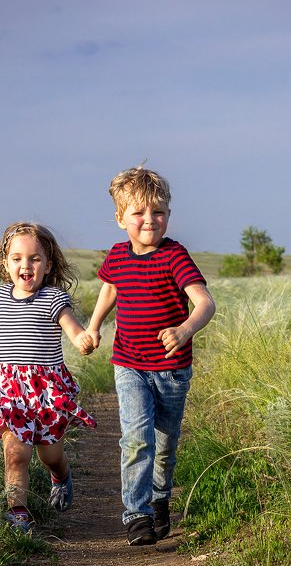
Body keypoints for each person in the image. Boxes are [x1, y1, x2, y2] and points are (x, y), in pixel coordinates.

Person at [85, 166, 216, 546]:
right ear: (120, 218)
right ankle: (136, 514)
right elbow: (110, 289)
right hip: (129, 364)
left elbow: (205, 303)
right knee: (137, 437)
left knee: (164, 445)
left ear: (168, 215)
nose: (148, 220)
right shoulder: (117, 256)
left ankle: (160, 499)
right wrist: (94, 326)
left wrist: (184, 330)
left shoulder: (174, 256)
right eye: (138, 213)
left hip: (172, 370)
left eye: (157, 212)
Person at [0, 221, 96, 533]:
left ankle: (60, 475)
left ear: (48, 265)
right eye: (17, 258)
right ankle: (18, 514)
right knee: (15, 453)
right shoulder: (4, 295)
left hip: (46, 389)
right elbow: (6, 322)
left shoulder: (54, 299)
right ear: (6, 263)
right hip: (10, 387)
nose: (26, 265)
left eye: (35, 258)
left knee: (50, 454)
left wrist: (81, 341)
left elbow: (72, 327)